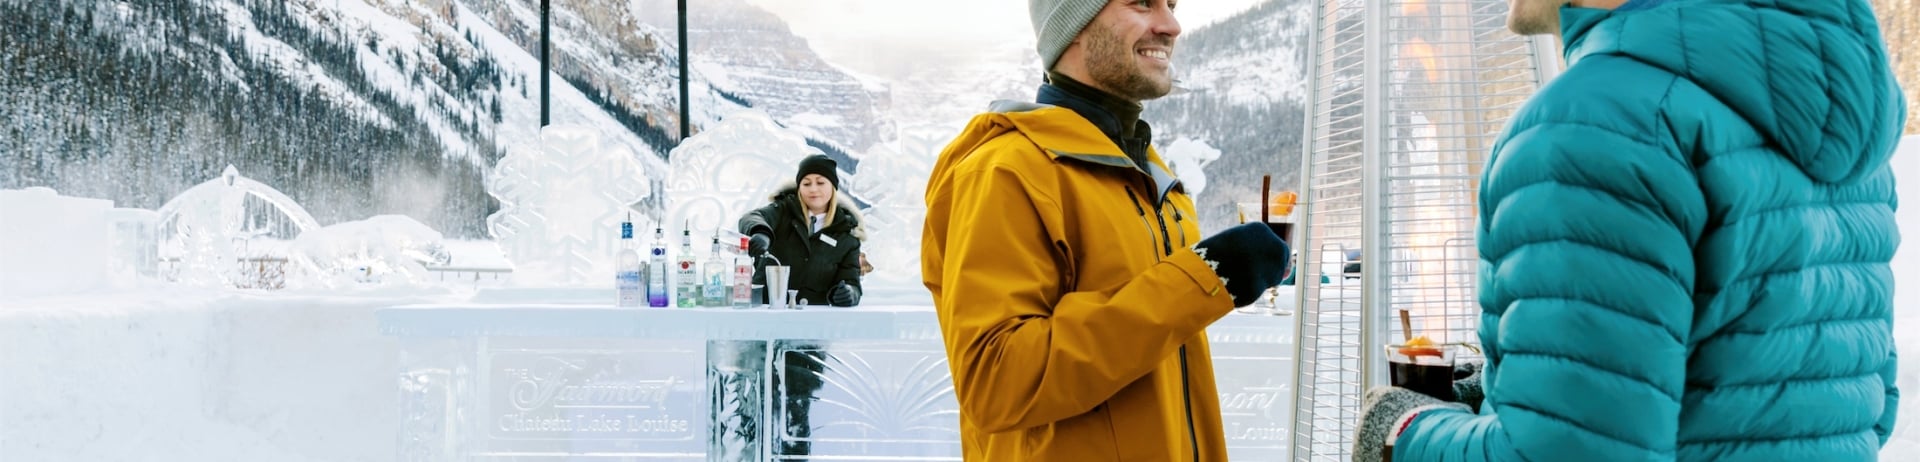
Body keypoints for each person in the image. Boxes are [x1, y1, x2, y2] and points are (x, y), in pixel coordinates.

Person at [1351, 0, 1905, 460]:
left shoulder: (1592, 126)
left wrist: (1402, 433)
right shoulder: (1832, 131)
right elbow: (1859, 409)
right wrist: (1515, 394)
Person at [920, 0, 1293, 459]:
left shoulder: (1153, 175)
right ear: (1072, 25)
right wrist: (1201, 278)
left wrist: (1218, 276)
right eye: (1141, 3)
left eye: (1172, 5)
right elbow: (997, 381)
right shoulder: (1005, 172)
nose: (1171, 25)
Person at [740, 154, 865, 307]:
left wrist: (849, 293)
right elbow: (751, 217)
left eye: (820, 182)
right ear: (799, 187)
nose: (813, 189)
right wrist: (761, 232)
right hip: (766, 312)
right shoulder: (783, 210)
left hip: (814, 320)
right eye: (806, 184)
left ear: (832, 187)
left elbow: (851, 280)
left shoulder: (847, 234)